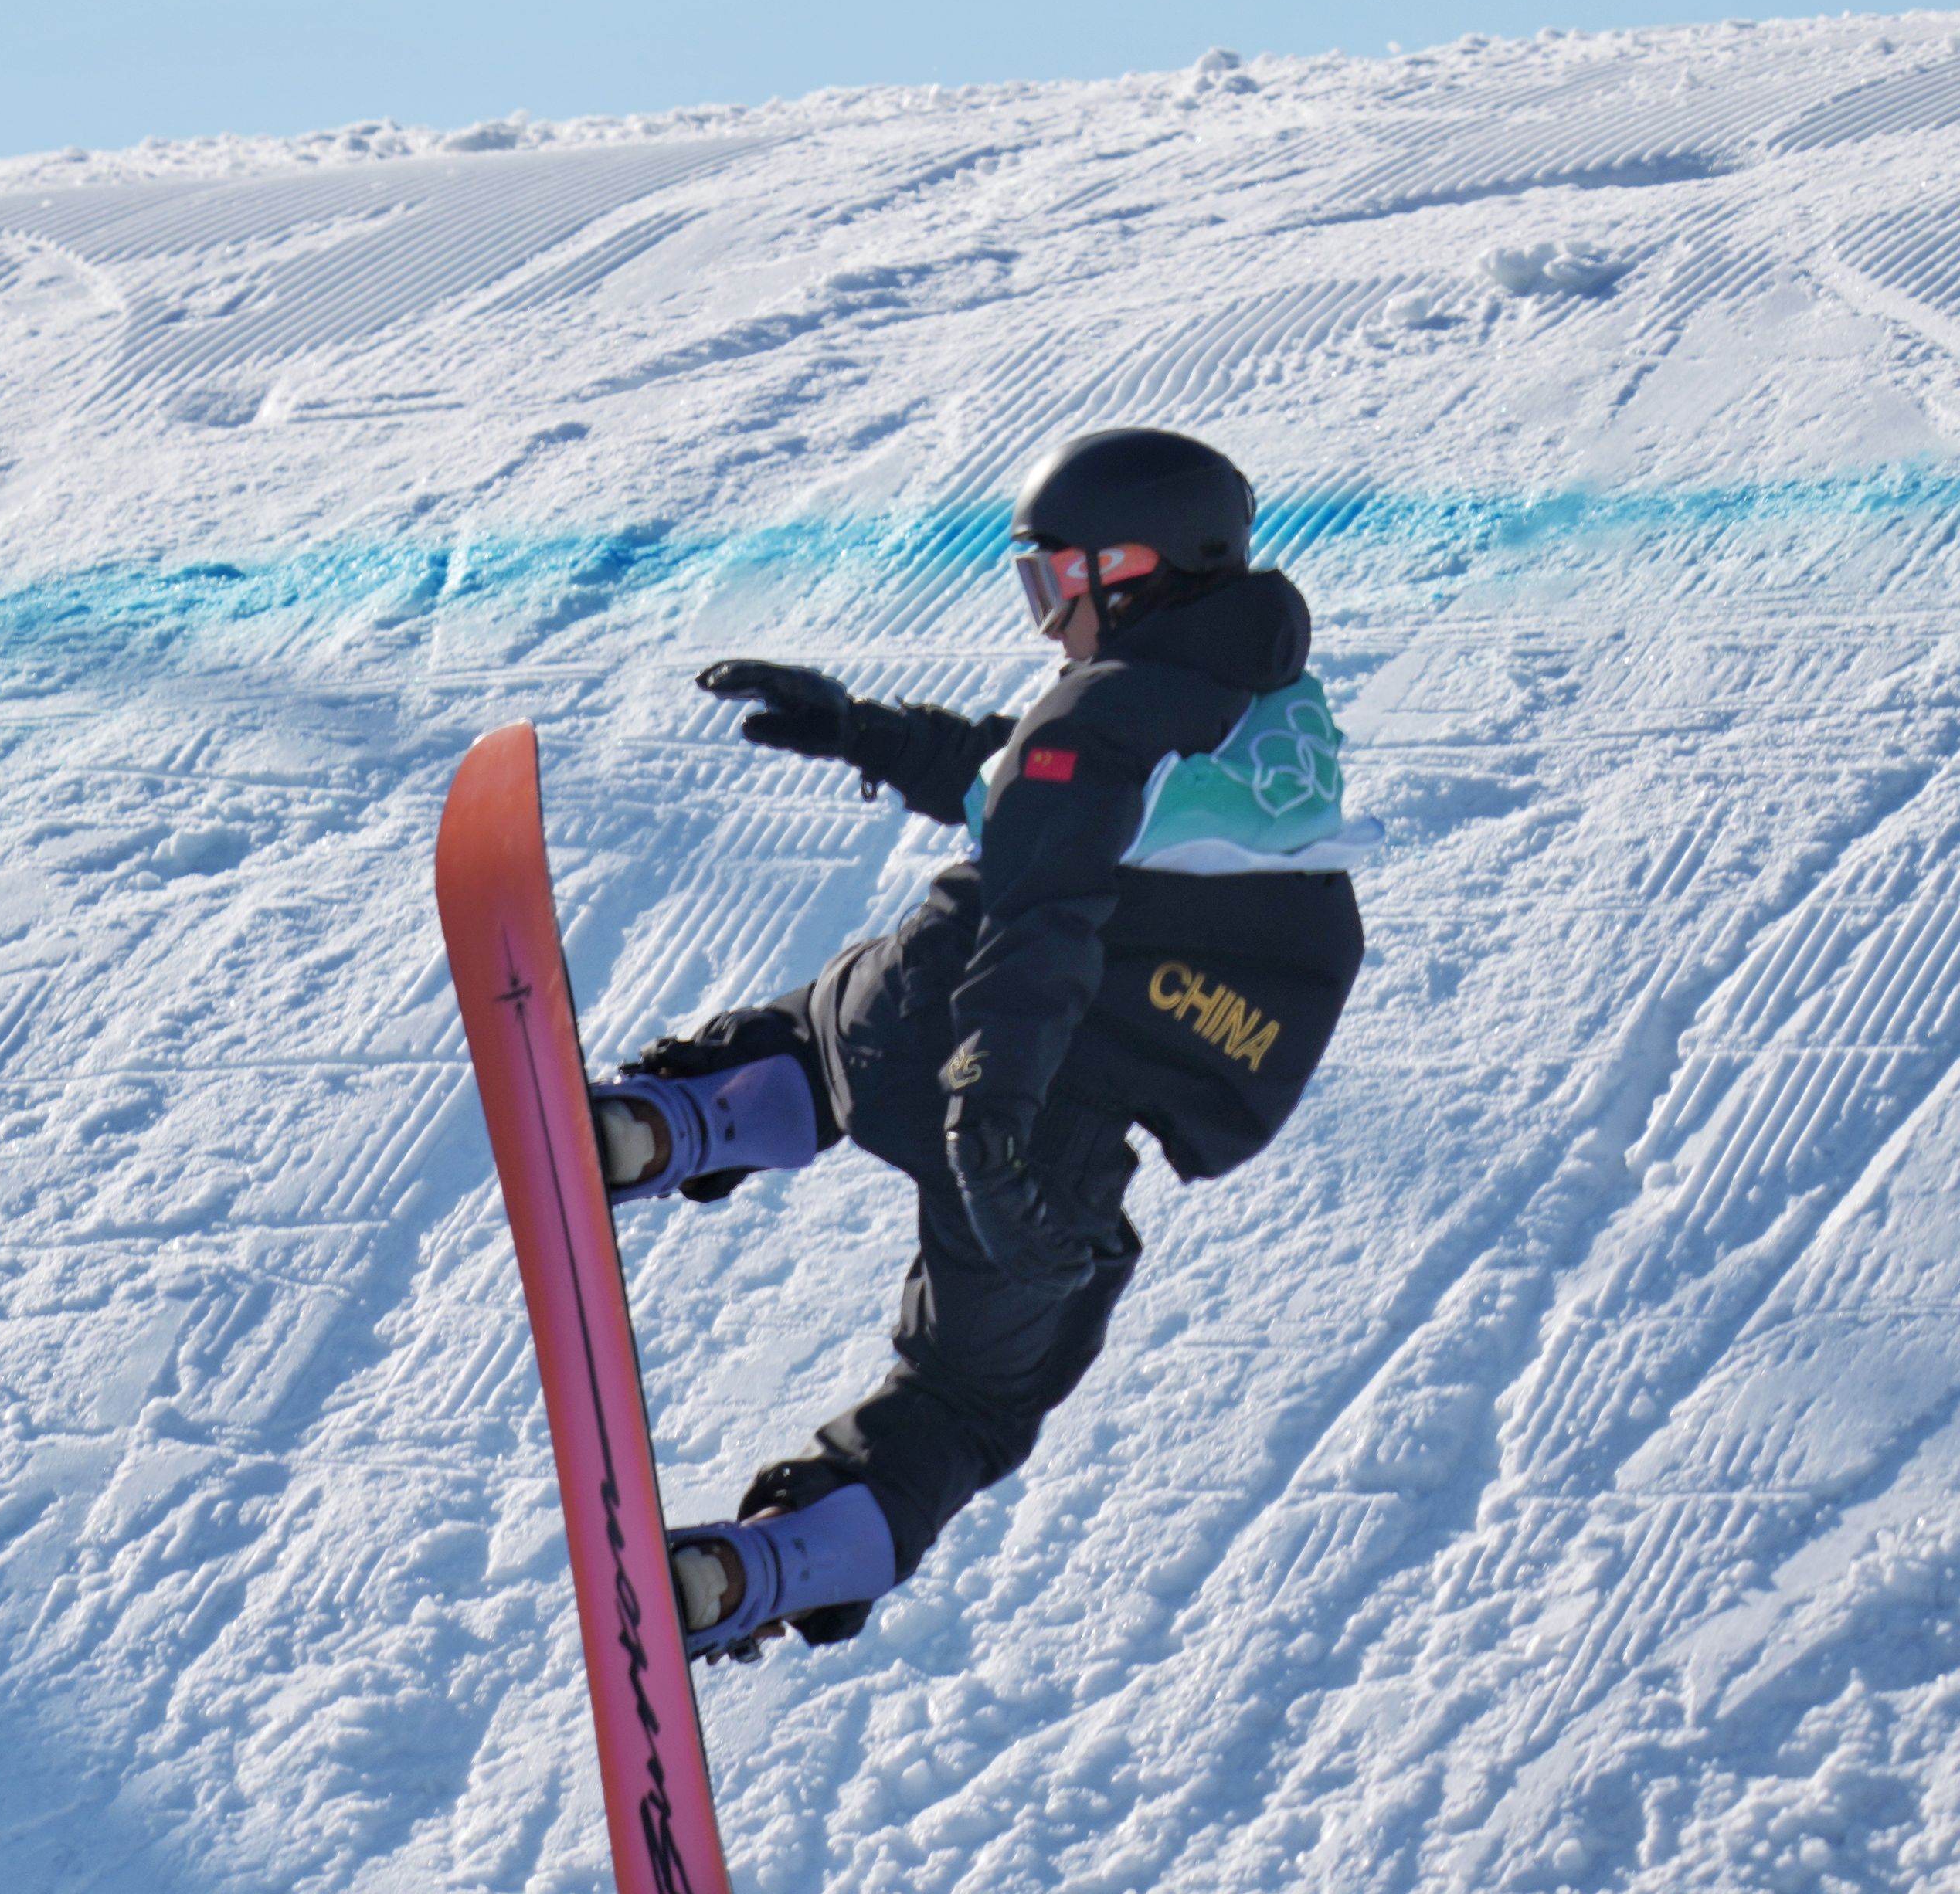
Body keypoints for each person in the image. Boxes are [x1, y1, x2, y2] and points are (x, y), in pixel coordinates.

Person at [586, 427, 1371, 1661]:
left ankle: (671, 1124)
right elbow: (1045, 783)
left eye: (1055, 583)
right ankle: (761, 1571)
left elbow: (1041, 904)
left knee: (863, 1004)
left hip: (969, 1062)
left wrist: (985, 1113)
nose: (1048, 622)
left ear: (1131, 566)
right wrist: (865, 732)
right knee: (976, 1394)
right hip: (1071, 1145)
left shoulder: (1106, 710)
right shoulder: (1250, 704)